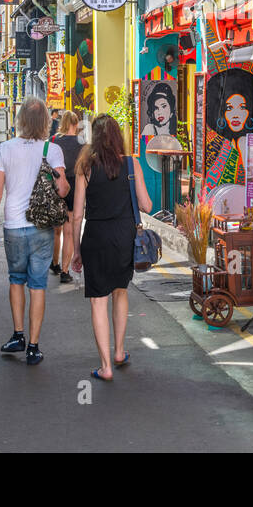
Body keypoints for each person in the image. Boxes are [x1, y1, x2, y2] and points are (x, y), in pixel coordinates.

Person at [0, 97, 69, 365]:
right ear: (46, 121)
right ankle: (33, 346)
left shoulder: (6, 149)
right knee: (37, 285)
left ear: (20, 120)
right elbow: (64, 190)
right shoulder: (52, 149)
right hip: (42, 225)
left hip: (13, 225)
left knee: (16, 280)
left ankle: (17, 335)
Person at [70, 114, 152, 382]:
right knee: (120, 291)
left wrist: (76, 250)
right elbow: (147, 206)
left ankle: (105, 366)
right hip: (124, 236)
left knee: (98, 300)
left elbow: (77, 214)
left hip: (96, 236)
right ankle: (119, 352)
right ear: (117, 136)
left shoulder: (86, 166)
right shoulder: (131, 164)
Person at [50, 110, 83, 283]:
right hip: (75, 187)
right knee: (69, 232)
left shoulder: (54, 140)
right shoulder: (82, 143)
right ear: (76, 124)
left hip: (57, 185)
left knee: (57, 230)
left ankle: (54, 263)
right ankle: (64, 270)